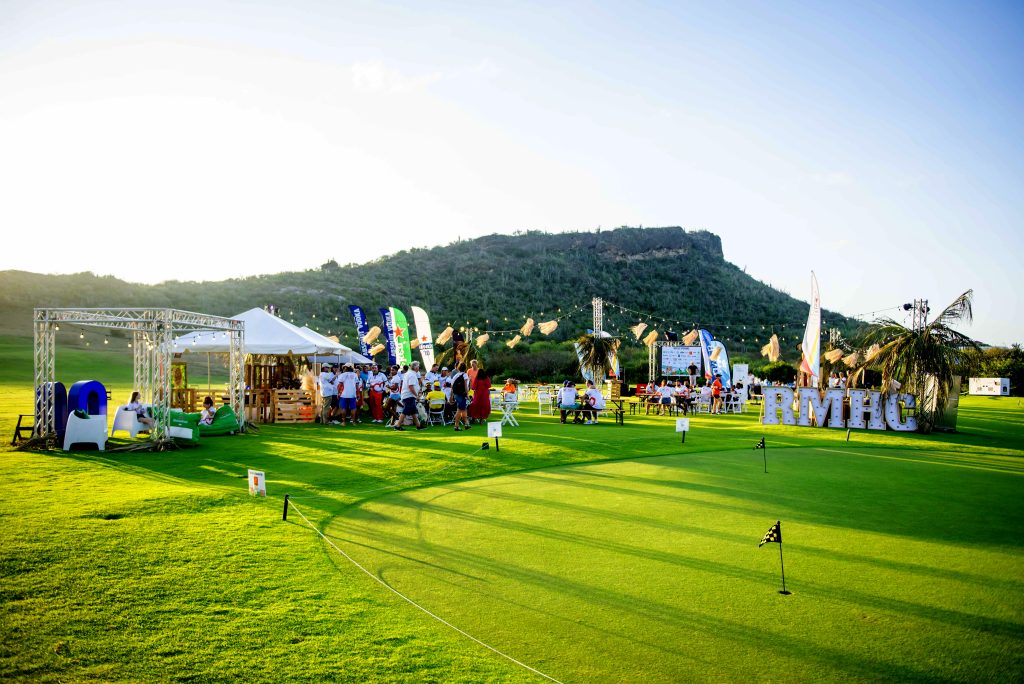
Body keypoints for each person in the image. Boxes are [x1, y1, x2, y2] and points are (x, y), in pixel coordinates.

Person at [397, 361, 426, 431]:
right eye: (418, 366)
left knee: (413, 411)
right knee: (406, 410)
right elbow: (411, 386)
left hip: (407, 394)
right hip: (409, 395)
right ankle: (397, 425)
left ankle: (418, 425)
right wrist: (417, 395)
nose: (419, 368)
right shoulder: (412, 375)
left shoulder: (409, 373)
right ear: (415, 367)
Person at [450, 362, 471, 431]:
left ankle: (466, 424)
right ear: (465, 368)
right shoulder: (465, 375)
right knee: (459, 410)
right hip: (462, 394)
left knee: (463, 409)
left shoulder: (456, 375)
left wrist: (451, 396)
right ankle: (456, 426)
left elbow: (452, 386)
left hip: (456, 394)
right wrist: (467, 394)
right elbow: (466, 386)